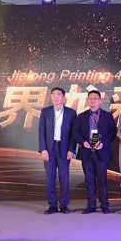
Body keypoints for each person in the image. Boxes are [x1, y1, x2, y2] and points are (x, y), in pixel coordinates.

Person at [71, 89, 117, 213]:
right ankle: (91, 206)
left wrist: (103, 143)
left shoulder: (107, 116)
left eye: (95, 98)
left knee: (102, 180)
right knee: (89, 180)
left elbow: (113, 132)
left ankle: (105, 205)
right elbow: (75, 132)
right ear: (87, 100)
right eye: (90, 98)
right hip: (87, 153)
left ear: (100, 101)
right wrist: (82, 142)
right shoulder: (82, 116)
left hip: (102, 153)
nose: (93, 100)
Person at [38, 86, 77, 214]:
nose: (55, 97)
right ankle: (53, 205)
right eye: (53, 94)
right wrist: (43, 149)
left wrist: (71, 149)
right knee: (50, 178)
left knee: (64, 178)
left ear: (63, 97)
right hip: (50, 149)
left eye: (58, 94)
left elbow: (73, 134)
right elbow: (41, 132)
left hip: (64, 149)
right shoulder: (46, 112)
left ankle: (64, 205)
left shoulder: (71, 113)